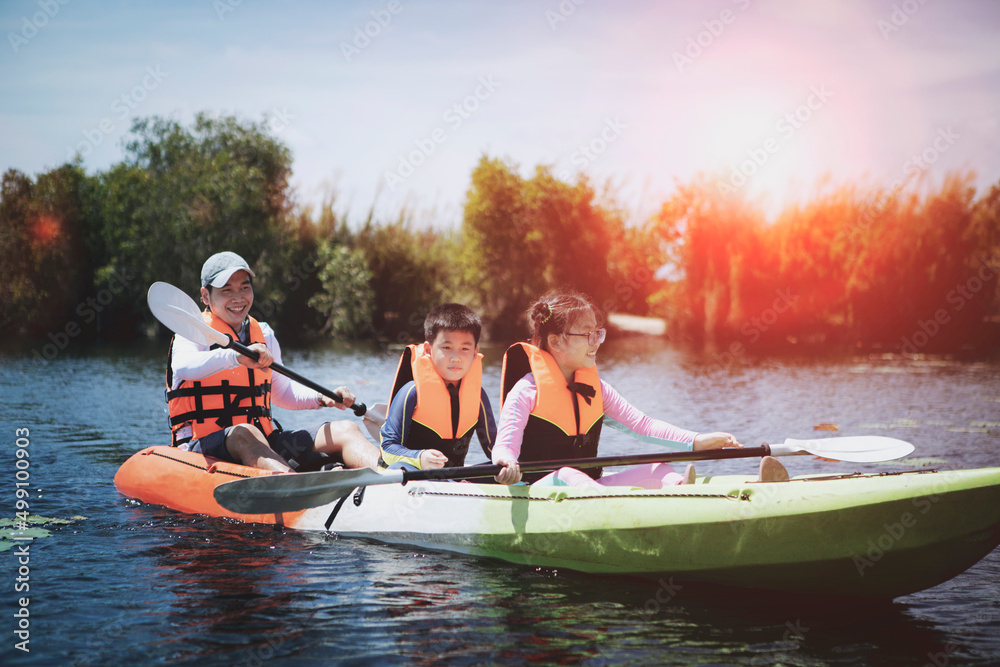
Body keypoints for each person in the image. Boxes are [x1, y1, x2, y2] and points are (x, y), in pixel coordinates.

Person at [490, 289, 789, 486]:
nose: (597, 342)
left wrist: (697, 440)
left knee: (659, 467)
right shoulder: (526, 392)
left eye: (598, 333)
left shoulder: (597, 390)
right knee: (567, 475)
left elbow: (643, 425)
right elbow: (504, 445)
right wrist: (506, 463)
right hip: (536, 493)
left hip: (586, 490)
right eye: (587, 334)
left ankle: (692, 499)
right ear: (555, 341)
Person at [165, 251, 381, 473]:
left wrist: (322, 398)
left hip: (263, 442)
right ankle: (295, 487)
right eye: (226, 290)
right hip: (202, 446)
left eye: (245, 288)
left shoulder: (264, 334)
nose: (238, 298)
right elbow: (183, 367)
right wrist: (234, 357)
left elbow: (283, 393)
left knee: (346, 429)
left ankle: (396, 480)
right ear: (205, 296)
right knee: (244, 431)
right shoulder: (191, 331)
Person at [378, 303, 496, 470]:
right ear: (428, 349)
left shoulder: (478, 397)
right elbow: (387, 449)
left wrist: (508, 464)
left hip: (452, 477)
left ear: (475, 353)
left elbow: (494, 450)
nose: (455, 358)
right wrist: (419, 457)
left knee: (503, 469)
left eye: (464, 348)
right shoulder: (411, 392)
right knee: (401, 469)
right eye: (446, 348)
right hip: (411, 473)